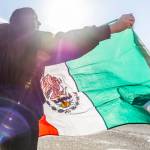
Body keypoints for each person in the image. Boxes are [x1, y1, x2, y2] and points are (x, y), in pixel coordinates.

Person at [0, 7, 135, 120]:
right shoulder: (34, 39)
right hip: (23, 114)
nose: (39, 23)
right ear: (27, 21)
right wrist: (111, 28)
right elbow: (68, 42)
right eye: (36, 19)